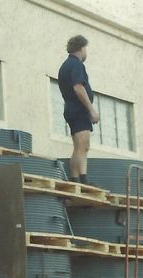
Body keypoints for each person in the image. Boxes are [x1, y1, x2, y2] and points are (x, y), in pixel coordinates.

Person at [58, 35, 99, 184]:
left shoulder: (65, 65)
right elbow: (78, 87)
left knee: (78, 146)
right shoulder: (76, 65)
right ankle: (83, 178)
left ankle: (75, 178)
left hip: (70, 108)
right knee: (84, 145)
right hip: (78, 109)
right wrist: (91, 110)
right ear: (81, 48)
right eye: (85, 48)